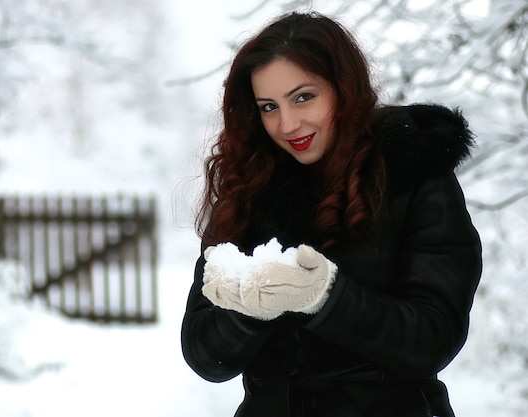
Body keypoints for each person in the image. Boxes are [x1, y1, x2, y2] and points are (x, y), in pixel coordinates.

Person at [181, 11, 482, 417]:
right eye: (268, 107)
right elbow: (204, 356)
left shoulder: (413, 177)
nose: (287, 124)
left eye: (304, 97)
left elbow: (433, 338)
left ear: (343, 89)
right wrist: (251, 311)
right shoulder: (249, 187)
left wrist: (325, 297)